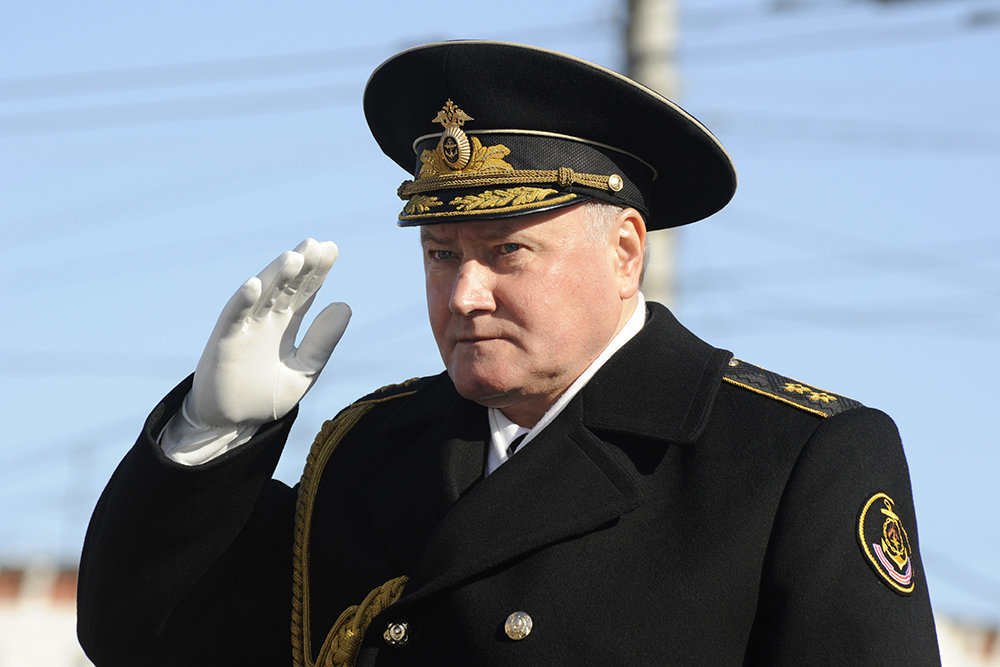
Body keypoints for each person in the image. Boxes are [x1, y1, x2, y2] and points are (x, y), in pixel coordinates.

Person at [77, 41, 941, 666]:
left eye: (507, 251)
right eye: (441, 254)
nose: (464, 294)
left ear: (625, 252)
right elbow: (147, 632)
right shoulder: (368, 454)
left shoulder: (784, 457)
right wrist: (208, 437)